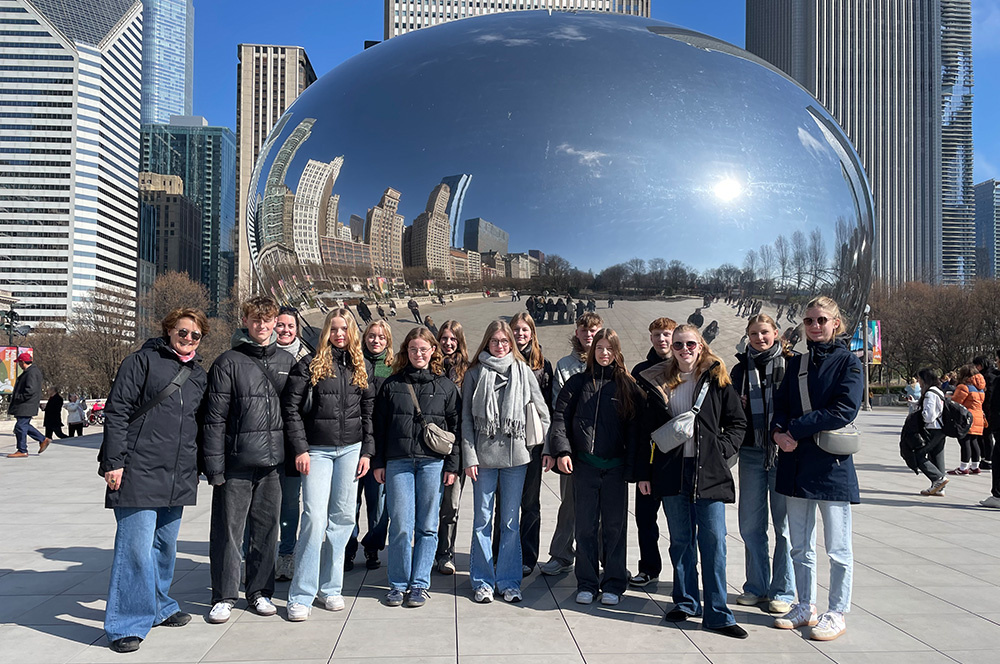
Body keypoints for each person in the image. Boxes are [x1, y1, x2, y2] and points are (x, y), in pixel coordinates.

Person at [101, 308, 210, 653]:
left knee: (164, 546)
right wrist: (114, 462)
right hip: (139, 468)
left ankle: (160, 605)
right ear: (169, 331)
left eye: (195, 334)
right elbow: (117, 411)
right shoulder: (140, 362)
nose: (188, 338)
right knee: (135, 549)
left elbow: (201, 423)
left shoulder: (198, 374)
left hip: (178, 472)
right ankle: (125, 623)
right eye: (182, 331)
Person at [637, 324, 748, 639]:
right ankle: (685, 602)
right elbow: (646, 431)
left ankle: (718, 613)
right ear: (670, 349)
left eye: (689, 344)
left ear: (700, 345)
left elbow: (738, 423)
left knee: (714, 543)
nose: (684, 350)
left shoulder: (717, 379)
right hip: (672, 471)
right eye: (677, 345)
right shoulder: (659, 381)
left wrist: (719, 450)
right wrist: (644, 473)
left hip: (708, 472)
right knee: (681, 541)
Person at [770, 296, 863, 641]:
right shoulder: (797, 362)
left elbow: (844, 410)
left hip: (831, 465)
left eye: (822, 320)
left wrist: (795, 429)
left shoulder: (849, 362)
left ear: (835, 322)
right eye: (809, 320)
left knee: (838, 548)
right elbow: (780, 404)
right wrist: (778, 433)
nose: (815, 326)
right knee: (799, 544)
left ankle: (836, 611)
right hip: (795, 462)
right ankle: (805, 605)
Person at [203, 297, 295, 624]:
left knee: (267, 531)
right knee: (228, 532)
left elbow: (294, 412)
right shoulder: (227, 361)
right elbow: (214, 419)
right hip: (236, 461)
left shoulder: (287, 360)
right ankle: (224, 596)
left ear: (274, 323)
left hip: (273, 463)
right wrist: (214, 466)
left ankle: (260, 592)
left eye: (267, 320)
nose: (262, 325)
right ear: (245, 321)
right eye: (256, 319)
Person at [281, 308, 375, 621]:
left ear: (352, 332)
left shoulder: (360, 366)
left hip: (351, 449)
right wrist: (300, 448)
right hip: (317, 450)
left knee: (343, 519)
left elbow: (368, 412)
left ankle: (331, 588)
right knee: (314, 518)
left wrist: (367, 451)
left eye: (344, 329)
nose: (339, 334)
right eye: (334, 329)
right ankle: (301, 594)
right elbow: (291, 409)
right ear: (325, 332)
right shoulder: (309, 364)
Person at [550, 328, 641, 606]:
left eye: (609, 348)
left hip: (615, 469)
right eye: (599, 348)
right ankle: (587, 583)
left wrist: (633, 469)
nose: (604, 353)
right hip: (585, 467)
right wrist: (562, 451)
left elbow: (636, 430)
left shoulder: (626, 385)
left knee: (614, 528)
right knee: (585, 528)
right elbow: (560, 418)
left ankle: (613, 583)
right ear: (592, 351)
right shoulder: (578, 383)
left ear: (617, 352)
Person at [463, 320, 551, 603]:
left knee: (511, 522)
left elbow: (543, 413)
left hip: (516, 459)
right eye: (495, 341)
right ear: (487, 343)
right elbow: (466, 420)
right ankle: (482, 581)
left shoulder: (523, 371)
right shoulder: (475, 373)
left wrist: (532, 445)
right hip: (483, 458)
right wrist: (469, 457)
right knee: (482, 520)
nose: (500, 346)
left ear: (511, 344)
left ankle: (509, 581)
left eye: (504, 341)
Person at [373, 327, 461, 607]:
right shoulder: (392, 384)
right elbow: (378, 427)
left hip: (432, 463)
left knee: (427, 525)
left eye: (424, 349)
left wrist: (452, 466)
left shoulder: (445, 386)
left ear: (433, 350)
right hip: (398, 461)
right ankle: (398, 584)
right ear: (406, 351)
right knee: (400, 524)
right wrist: (378, 462)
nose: (418, 354)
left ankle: (419, 584)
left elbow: (456, 428)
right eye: (413, 349)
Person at [730, 314, 795, 615]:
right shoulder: (740, 369)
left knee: (784, 527)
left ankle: (783, 590)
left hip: (784, 452)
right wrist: (738, 404)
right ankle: (756, 586)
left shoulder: (792, 365)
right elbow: (729, 411)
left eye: (765, 332)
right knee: (750, 524)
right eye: (754, 334)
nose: (759, 338)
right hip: (751, 452)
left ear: (776, 333)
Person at [539, 312, 603, 576]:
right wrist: (559, 447)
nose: (588, 334)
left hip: (603, 446)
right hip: (573, 447)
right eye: (584, 330)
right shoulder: (565, 365)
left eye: (593, 330)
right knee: (569, 504)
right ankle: (562, 554)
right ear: (577, 333)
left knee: (603, 507)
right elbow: (559, 407)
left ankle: (603, 558)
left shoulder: (610, 360)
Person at [629, 317, 676, 588]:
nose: (662, 339)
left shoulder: (685, 367)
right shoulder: (640, 371)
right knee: (645, 518)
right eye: (657, 334)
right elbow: (634, 417)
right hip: (649, 454)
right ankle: (649, 568)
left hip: (677, 455)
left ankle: (684, 574)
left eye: (666, 334)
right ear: (650, 338)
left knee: (679, 522)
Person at [345, 320, 394, 571]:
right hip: (354, 439)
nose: (376, 341)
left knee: (379, 505)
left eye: (381, 337)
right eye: (372, 336)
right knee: (350, 502)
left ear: (388, 341)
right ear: (364, 338)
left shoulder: (393, 368)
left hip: (381, 443)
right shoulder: (354, 363)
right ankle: (348, 547)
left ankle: (373, 546)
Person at [509, 312, 553, 576]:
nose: (520, 334)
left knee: (530, 502)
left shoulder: (543, 364)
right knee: (505, 503)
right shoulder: (502, 358)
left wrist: (548, 447)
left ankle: (528, 556)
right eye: (516, 329)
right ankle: (502, 552)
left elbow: (549, 408)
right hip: (506, 441)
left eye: (525, 329)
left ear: (532, 332)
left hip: (533, 442)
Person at [273, 307, 310, 582]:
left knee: (288, 503)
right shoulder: (257, 354)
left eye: (290, 326)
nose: (285, 330)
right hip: (262, 439)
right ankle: (253, 556)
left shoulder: (306, 360)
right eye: (280, 325)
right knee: (257, 505)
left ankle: (286, 553)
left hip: (292, 441)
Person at [435, 320, 471, 574]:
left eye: (453, 339)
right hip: (429, 446)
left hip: (456, 447)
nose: (448, 343)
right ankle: (426, 551)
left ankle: (445, 553)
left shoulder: (467, 371)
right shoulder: (430, 364)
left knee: (451, 505)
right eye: (444, 338)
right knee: (428, 505)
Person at [6, 352, 50, 458]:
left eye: (19, 362)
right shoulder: (31, 371)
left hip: (26, 405)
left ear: (22, 362)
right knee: (23, 425)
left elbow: (30, 390)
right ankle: (43, 439)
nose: (19, 365)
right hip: (26, 404)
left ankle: (22, 450)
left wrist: (18, 397)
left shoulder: (31, 372)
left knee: (20, 426)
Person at [948, 364, 986, 475]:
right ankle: (975, 466)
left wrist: (948, 398)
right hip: (979, 416)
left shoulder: (963, 387)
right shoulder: (980, 389)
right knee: (974, 441)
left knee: (965, 442)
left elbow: (956, 402)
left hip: (966, 417)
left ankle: (963, 467)